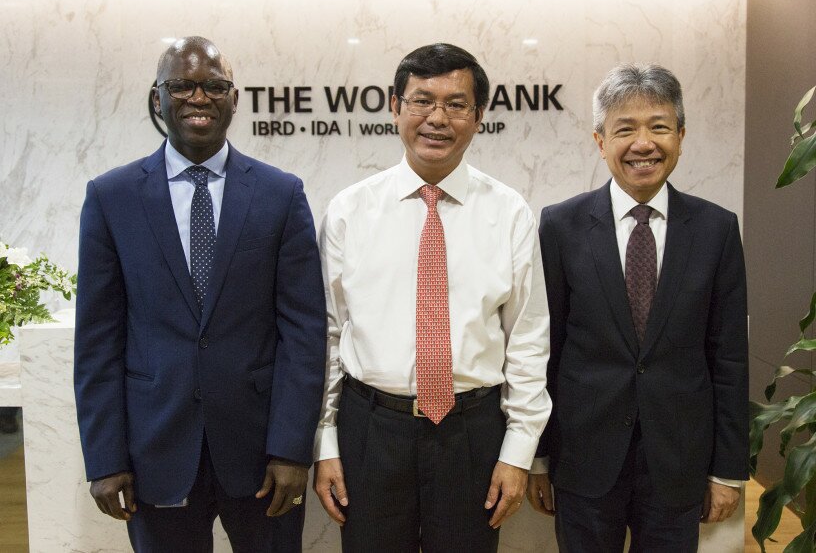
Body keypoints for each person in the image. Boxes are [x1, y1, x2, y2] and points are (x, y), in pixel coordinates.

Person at [74, 36, 326, 552]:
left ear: (234, 100)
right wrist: (105, 458)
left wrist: (292, 449)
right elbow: (98, 339)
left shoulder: (281, 194)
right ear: (157, 100)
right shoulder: (111, 196)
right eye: (181, 86)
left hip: (262, 455)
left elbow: (304, 333)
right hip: (154, 452)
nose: (199, 97)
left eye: (214, 86)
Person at [312, 43, 551, 553]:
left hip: (473, 433)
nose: (437, 118)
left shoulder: (509, 212)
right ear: (395, 107)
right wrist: (325, 442)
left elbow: (527, 339)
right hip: (371, 431)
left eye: (456, 104)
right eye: (421, 101)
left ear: (479, 116)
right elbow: (329, 336)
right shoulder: (349, 211)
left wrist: (518, 450)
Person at [526, 63, 749, 552]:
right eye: (624, 129)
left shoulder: (716, 229)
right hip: (584, 460)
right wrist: (539, 458)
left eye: (659, 127)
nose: (643, 143)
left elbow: (729, 357)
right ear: (599, 140)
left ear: (681, 136)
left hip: (680, 461)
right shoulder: (560, 226)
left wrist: (729, 471)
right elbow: (544, 349)